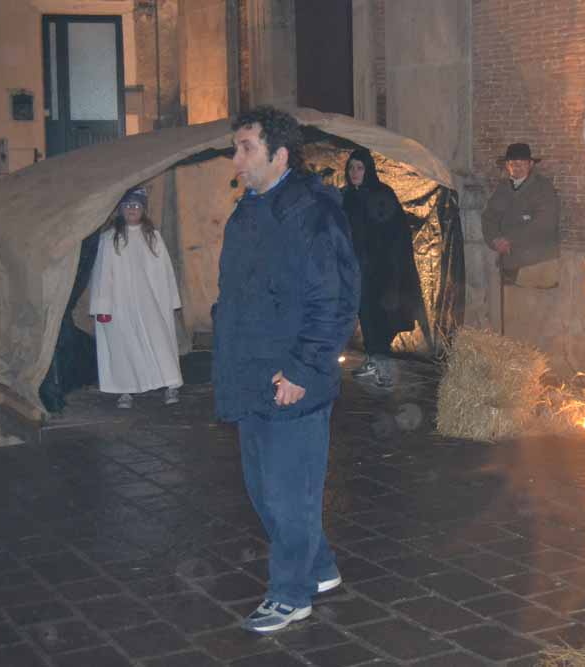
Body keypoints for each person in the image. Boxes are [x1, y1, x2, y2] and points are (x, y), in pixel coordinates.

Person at [211, 106, 360, 634]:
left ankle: (289, 595)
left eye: (246, 148)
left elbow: (334, 301)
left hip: (292, 379)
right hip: (250, 372)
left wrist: (301, 369)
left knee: (288, 493)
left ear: (279, 155)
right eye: (236, 147)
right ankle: (318, 567)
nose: (236, 159)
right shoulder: (250, 210)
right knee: (262, 487)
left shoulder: (312, 213)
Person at [88, 187, 183, 409]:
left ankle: (170, 385)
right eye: (128, 205)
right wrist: (103, 306)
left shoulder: (153, 237)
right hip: (121, 303)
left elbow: (166, 271)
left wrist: (171, 299)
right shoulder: (110, 239)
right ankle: (125, 389)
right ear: (120, 209)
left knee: (160, 341)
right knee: (124, 345)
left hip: (152, 302)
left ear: (143, 209)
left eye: (137, 205)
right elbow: (103, 274)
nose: (132, 209)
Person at [341, 148, 423, 388]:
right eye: (351, 168)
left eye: (359, 168)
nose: (354, 172)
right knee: (365, 317)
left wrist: (391, 272)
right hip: (357, 270)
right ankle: (372, 361)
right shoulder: (347, 197)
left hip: (381, 271)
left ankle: (385, 369)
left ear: (368, 170)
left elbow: (396, 235)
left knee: (382, 319)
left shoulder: (382, 194)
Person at [480, 142, 560, 288]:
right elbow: (488, 218)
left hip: (537, 263)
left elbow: (544, 222)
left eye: (522, 163)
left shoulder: (543, 187)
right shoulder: (502, 188)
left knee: (534, 301)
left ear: (530, 164)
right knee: (509, 301)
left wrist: (509, 240)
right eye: (512, 163)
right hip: (508, 263)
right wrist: (495, 240)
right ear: (507, 165)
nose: (517, 167)